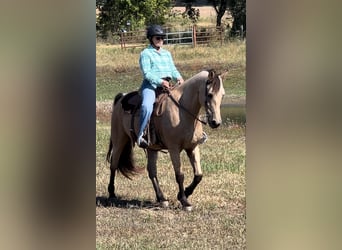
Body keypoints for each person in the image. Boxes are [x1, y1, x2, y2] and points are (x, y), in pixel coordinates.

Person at [137, 24, 184, 148]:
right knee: (146, 106)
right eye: (158, 38)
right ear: (151, 38)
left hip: (168, 85)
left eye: (162, 38)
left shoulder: (167, 54)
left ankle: (193, 133)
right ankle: (141, 135)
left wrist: (178, 77)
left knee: (187, 101)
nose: (161, 40)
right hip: (151, 86)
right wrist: (160, 81)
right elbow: (147, 73)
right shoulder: (145, 53)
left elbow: (172, 69)